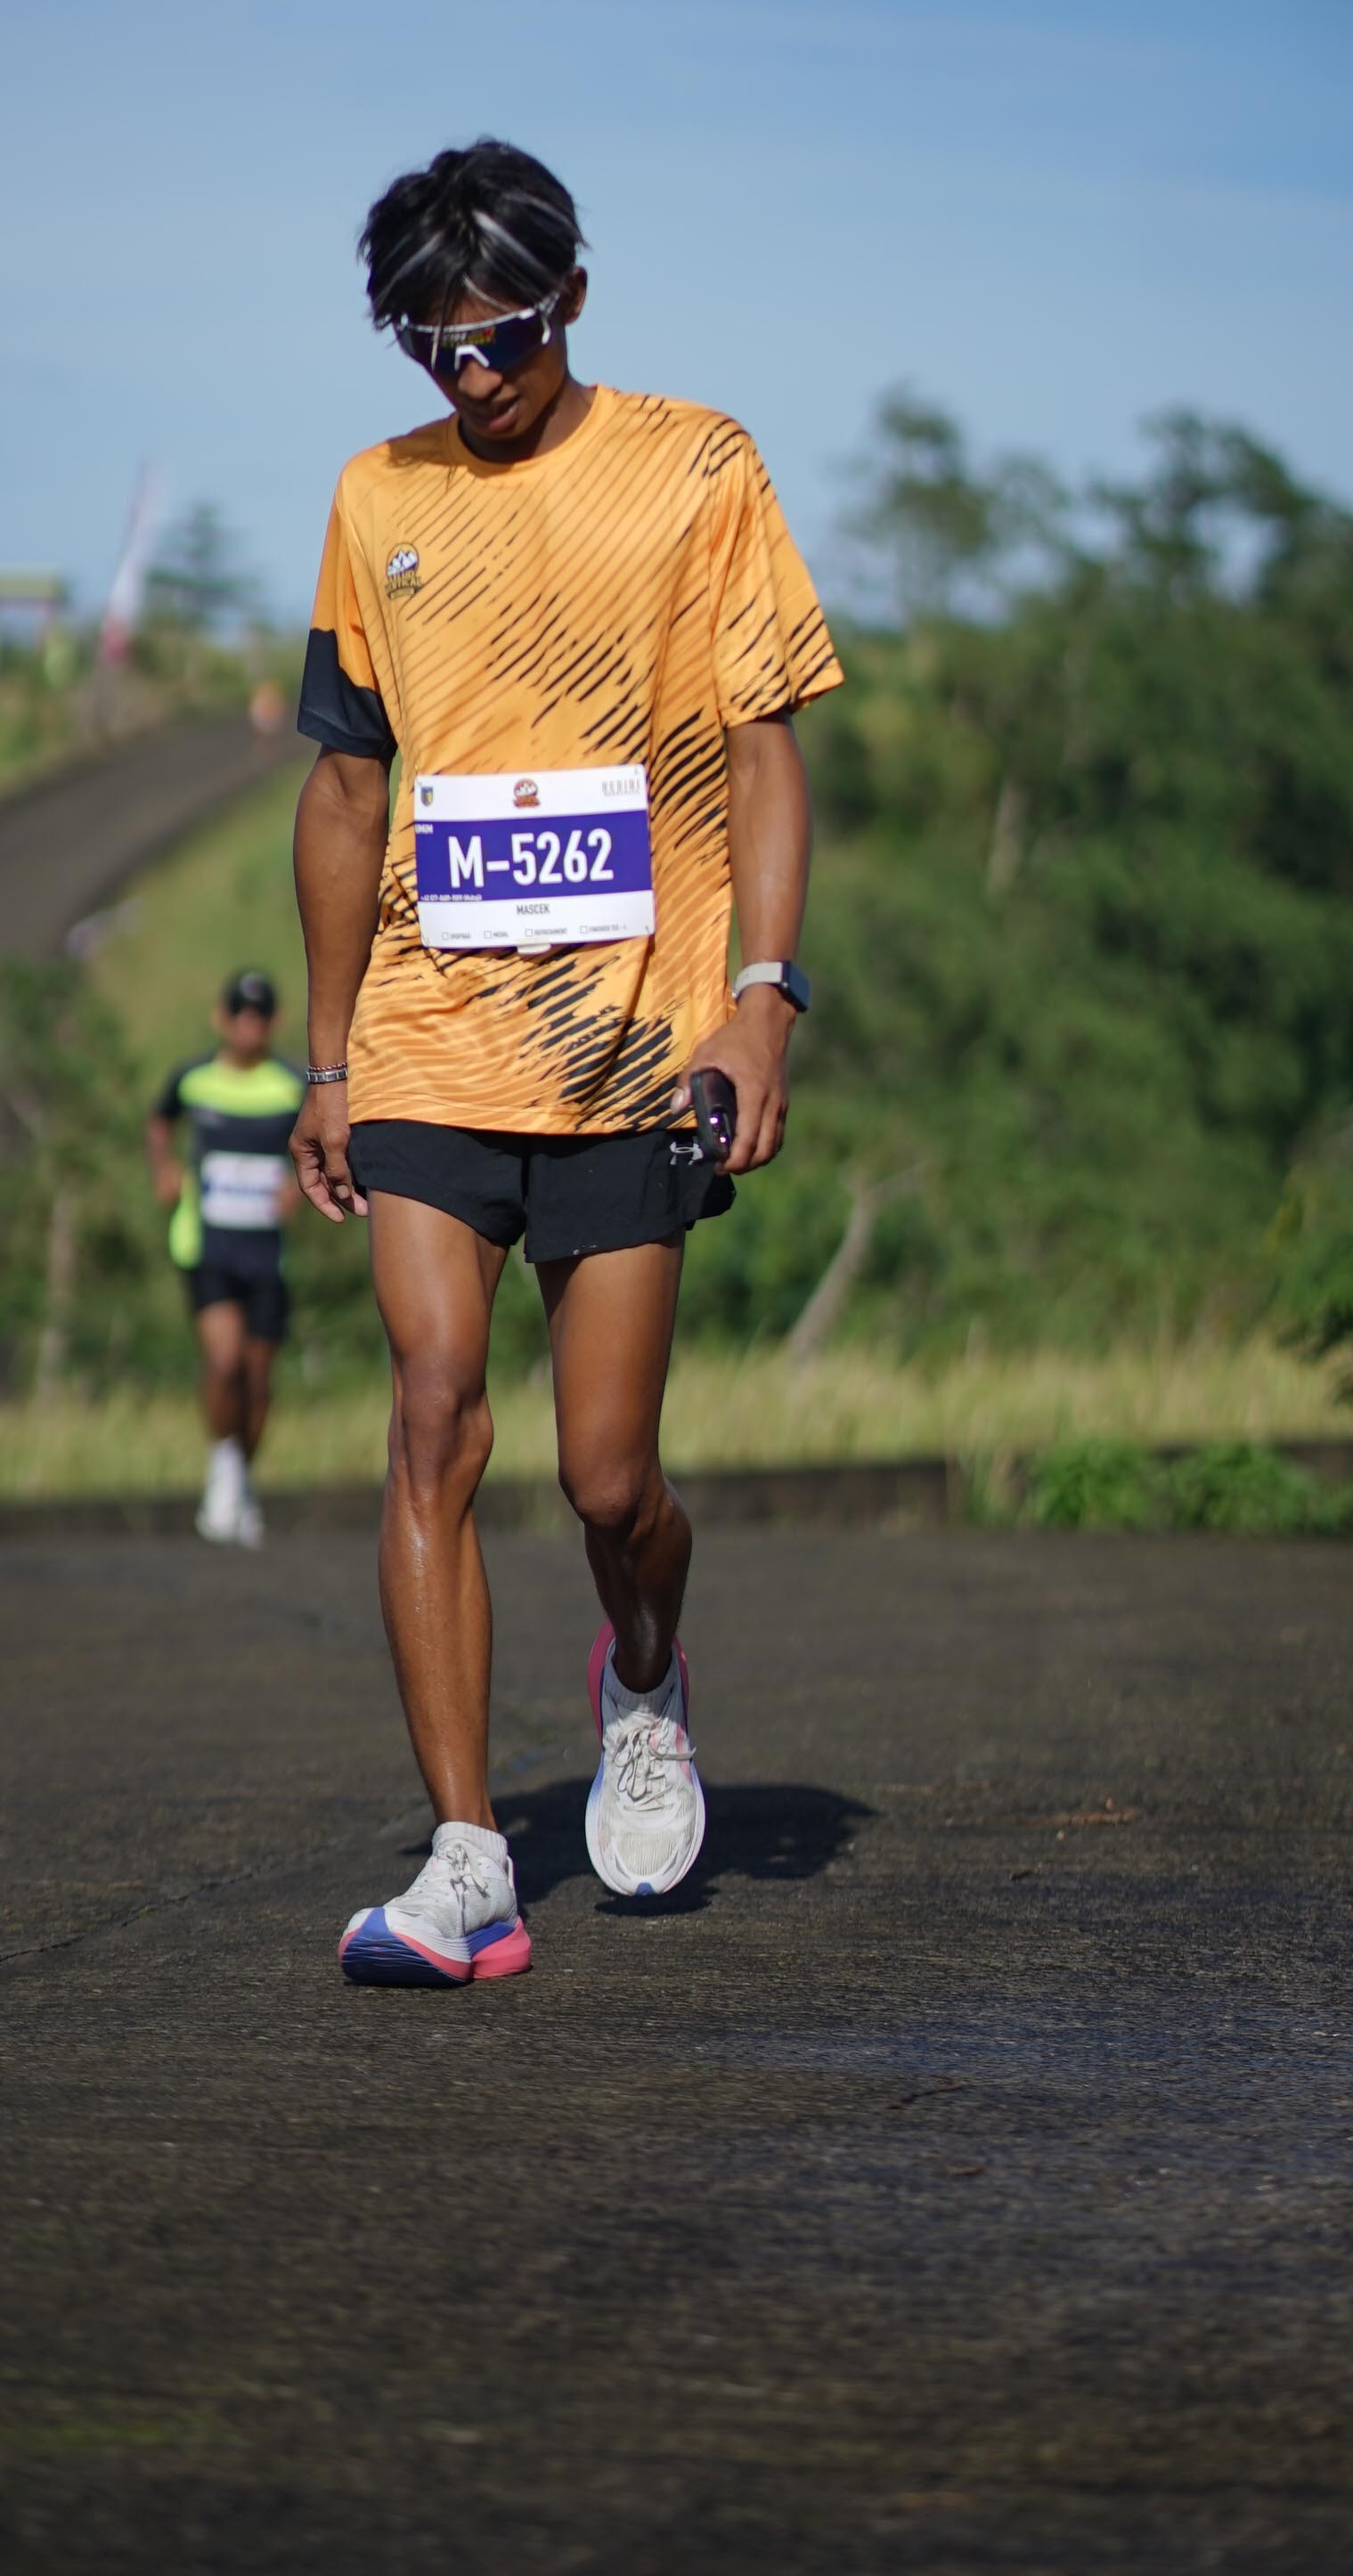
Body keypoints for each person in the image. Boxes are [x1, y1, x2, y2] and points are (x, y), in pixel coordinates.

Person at [291, 140, 839, 1985]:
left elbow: (762, 747)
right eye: (430, 348)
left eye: (502, 337)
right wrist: (327, 1061)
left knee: (610, 1481)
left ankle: (646, 1679)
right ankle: (466, 1860)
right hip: (429, 1031)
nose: (472, 376)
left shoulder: (695, 467)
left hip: (629, 1047)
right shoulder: (376, 497)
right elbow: (347, 786)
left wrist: (760, 995)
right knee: (432, 1407)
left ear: (573, 300)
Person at [147, 970, 304, 1548]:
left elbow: (319, 1138)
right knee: (224, 1359)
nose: (248, 1025)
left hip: (266, 1249)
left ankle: (242, 1477)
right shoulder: (193, 1079)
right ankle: (222, 1468)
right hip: (206, 1243)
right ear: (222, 1017)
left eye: (258, 1015)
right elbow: (159, 1121)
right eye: (239, 1013)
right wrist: (164, 1169)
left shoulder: (291, 1086)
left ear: (274, 1022)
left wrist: (299, 1185)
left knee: (258, 1378)